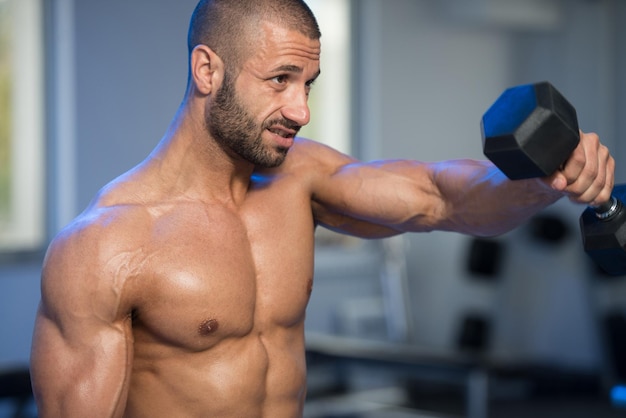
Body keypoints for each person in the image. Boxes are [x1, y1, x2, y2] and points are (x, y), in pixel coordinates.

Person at [29, 0, 614, 417]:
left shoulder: (299, 177)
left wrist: (550, 180)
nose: (301, 109)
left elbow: (441, 197)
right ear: (207, 70)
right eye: (280, 80)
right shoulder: (107, 245)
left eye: (307, 83)